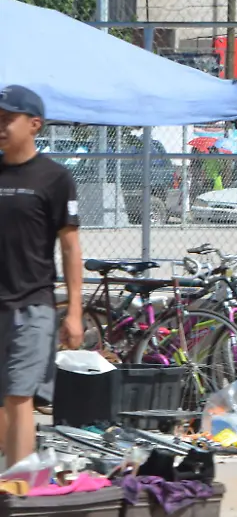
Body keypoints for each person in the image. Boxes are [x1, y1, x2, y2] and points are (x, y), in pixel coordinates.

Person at [0, 85, 83, 467]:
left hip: (33, 305)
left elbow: (69, 247)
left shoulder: (54, 177)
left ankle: (17, 492)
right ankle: (11, 473)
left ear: (34, 124)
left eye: (7, 119)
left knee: (19, 396)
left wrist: (74, 312)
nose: (0, 126)